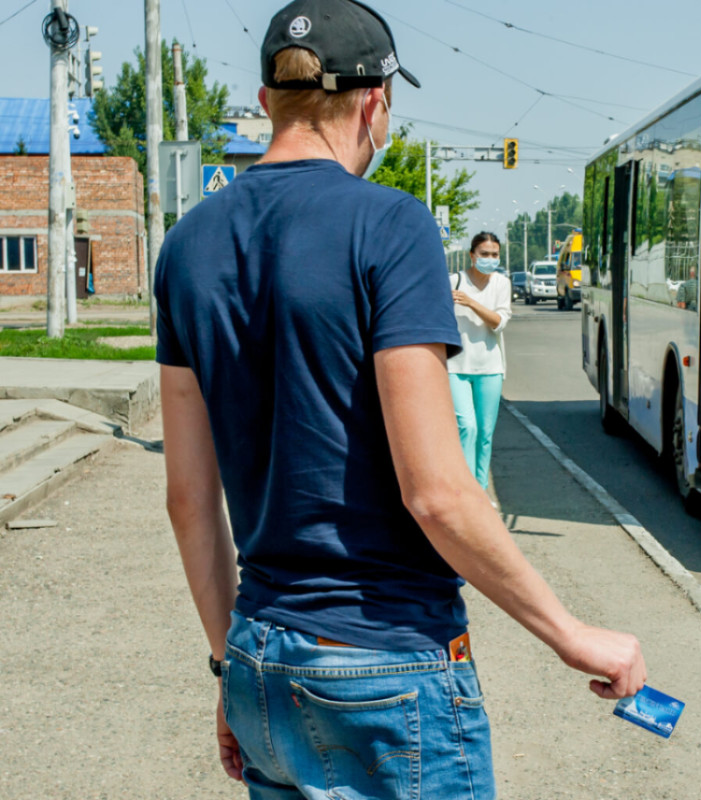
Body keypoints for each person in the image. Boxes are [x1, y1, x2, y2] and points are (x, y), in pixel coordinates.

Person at [154, 1, 645, 797]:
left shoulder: (186, 246)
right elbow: (437, 493)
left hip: (259, 656)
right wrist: (572, 634)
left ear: (266, 99)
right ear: (376, 103)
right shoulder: (390, 226)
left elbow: (187, 499)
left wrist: (231, 665)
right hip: (385, 661)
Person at [449, 232, 512, 495]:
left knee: (485, 434)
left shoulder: (501, 283)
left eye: (494, 254)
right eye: (484, 254)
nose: (489, 259)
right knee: (467, 427)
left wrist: (472, 303)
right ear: (472, 255)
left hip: (490, 368)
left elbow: (499, 322)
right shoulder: (453, 281)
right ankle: (466, 493)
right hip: (455, 367)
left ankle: (480, 490)